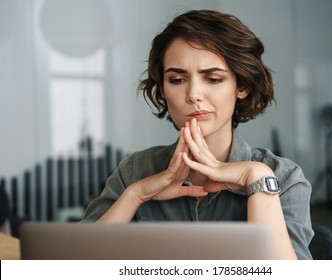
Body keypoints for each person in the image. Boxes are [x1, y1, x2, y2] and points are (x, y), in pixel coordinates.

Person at [82, 9, 314, 260]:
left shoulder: (284, 178)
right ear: (163, 90)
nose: (193, 94)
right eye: (177, 79)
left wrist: (256, 177)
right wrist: (137, 195)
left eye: (213, 79)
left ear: (242, 86)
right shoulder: (135, 171)